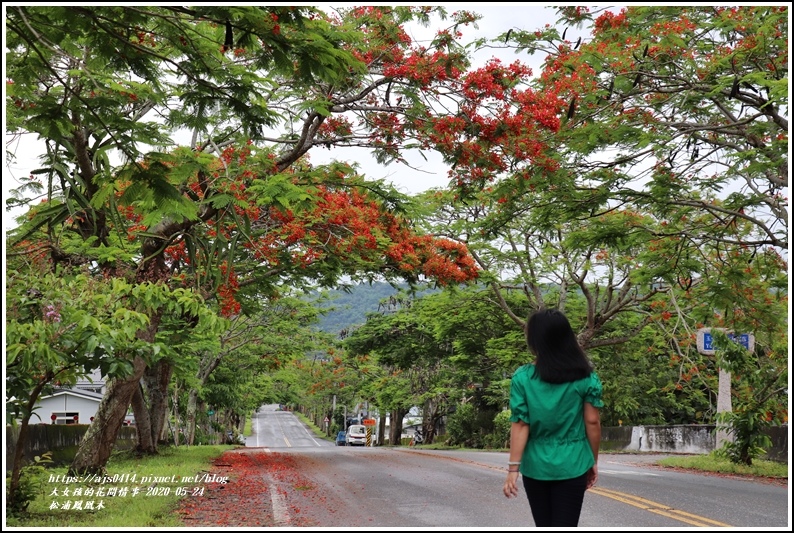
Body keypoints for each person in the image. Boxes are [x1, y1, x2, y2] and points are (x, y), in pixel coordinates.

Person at [503, 308, 603, 527]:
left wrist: (513, 470)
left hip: (536, 466)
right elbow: (592, 422)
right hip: (574, 463)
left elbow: (521, 425)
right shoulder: (585, 377)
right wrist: (592, 460)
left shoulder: (523, 377)